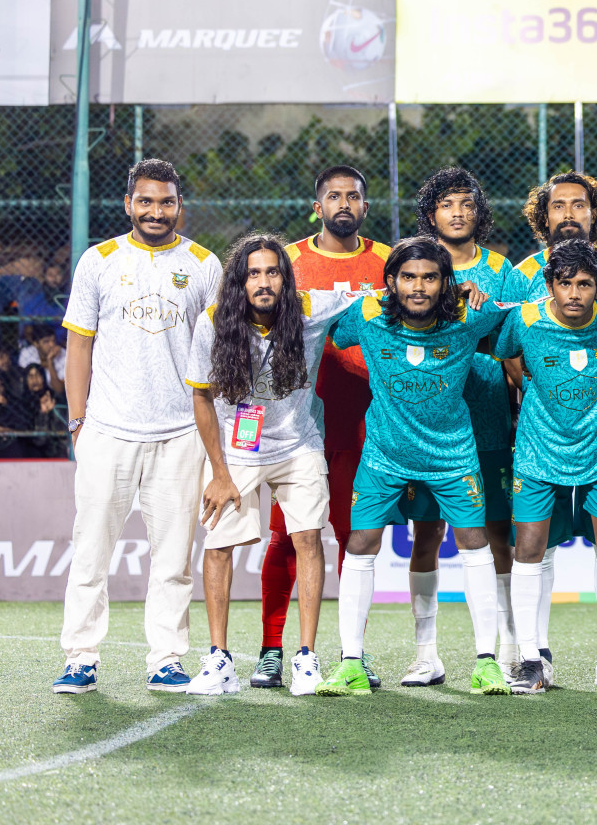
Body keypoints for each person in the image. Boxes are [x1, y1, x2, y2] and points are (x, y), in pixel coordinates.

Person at [53, 159, 223, 695]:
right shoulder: (98, 260)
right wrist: (78, 421)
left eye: (166, 201)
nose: (156, 211)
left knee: (173, 558)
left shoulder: (204, 264)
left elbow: (216, 352)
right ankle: (81, 656)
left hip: (180, 435)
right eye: (145, 201)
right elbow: (77, 345)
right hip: (107, 429)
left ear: (179, 206)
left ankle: (166, 659)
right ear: (128, 204)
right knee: (90, 553)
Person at [314, 237, 511, 696]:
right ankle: (350, 663)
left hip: (452, 455)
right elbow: (322, 322)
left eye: (429, 277)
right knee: (360, 542)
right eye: (408, 277)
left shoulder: (469, 317)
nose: (418, 287)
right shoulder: (366, 314)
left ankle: (486, 662)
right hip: (385, 455)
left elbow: (529, 307)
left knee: (474, 542)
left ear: (446, 282)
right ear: (391, 281)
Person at [184, 234, 362, 697]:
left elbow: (378, 296)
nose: (263, 282)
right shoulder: (213, 321)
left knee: (307, 538)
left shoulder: (309, 308)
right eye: (253, 273)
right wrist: (219, 473)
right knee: (218, 545)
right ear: (238, 280)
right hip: (236, 451)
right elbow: (201, 397)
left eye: (272, 271)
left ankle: (305, 657)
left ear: (285, 277)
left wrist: (455, 292)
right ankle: (219, 659)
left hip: (298, 445)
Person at [256, 165, 390, 691]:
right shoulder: (285, 262)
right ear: (317, 206)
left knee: (354, 540)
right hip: (297, 425)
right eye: (333, 196)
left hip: (364, 424)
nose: (343, 203)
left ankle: (350, 654)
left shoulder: (385, 261)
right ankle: (271, 650)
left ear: (364, 205)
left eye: (353, 196)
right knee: (287, 538)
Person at [496, 240, 597, 695]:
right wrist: (530, 384)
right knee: (530, 548)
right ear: (549, 285)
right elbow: (507, 354)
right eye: (565, 284)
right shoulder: (525, 319)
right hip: (539, 453)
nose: (574, 294)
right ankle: (531, 659)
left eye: (585, 285)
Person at [400, 167, 518, 688]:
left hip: (488, 416)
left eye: (467, 203)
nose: (458, 212)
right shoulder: (418, 267)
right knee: (426, 533)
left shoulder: (501, 269)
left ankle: (507, 643)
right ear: (431, 213)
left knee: (494, 533)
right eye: (447, 203)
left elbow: (516, 333)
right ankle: (426, 652)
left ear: (479, 213)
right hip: (427, 427)